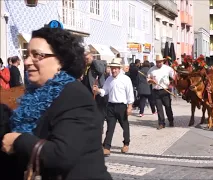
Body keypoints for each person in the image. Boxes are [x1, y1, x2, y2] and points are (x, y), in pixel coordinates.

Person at [1, 27, 111, 179]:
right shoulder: (32, 97)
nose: (27, 61)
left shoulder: (74, 95)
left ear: (61, 61)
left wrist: (18, 140)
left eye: (37, 55)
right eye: (27, 54)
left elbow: (62, 154)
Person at [93, 58, 134, 156]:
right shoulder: (109, 79)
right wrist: (98, 90)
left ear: (119, 69)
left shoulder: (126, 79)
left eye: (115, 68)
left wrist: (130, 106)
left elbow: (130, 93)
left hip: (122, 106)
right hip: (111, 106)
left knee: (125, 126)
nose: (114, 70)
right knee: (110, 127)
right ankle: (107, 147)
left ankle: (126, 143)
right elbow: (105, 91)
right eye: (112, 68)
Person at [147, 54, 176, 130]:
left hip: (165, 90)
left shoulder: (168, 68)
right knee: (159, 108)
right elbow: (148, 79)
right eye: (157, 62)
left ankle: (171, 120)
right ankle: (161, 123)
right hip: (156, 91)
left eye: (160, 62)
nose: (158, 63)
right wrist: (151, 81)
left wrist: (171, 83)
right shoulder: (151, 69)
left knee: (168, 107)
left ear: (162, 61)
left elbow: (174, 77)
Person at [82, 47, 108, 120]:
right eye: (85, 59)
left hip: (96, 90)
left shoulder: (97, 63)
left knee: (99, 109)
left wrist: (93, 61)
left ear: (92, 57)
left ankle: (100, 123)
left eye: (87, 59)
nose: (86, 60)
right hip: (88, 90)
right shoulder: (86, 66)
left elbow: (100, 71)